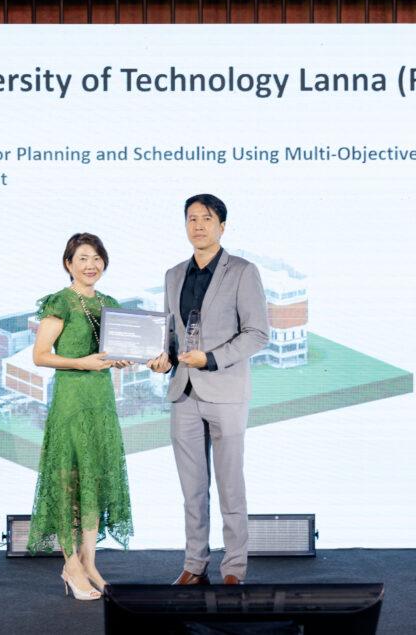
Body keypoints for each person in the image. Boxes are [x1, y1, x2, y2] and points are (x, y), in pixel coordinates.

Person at [146, 194, 269, 586]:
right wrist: (164, 358)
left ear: (222, 226)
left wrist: (211, 359)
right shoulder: (173, 274)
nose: (198, 225)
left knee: (231, 487)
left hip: (226, 391)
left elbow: (257, 333)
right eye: (191, 218)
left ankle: (233, 568)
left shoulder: (243, 271)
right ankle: (194, 565)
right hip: (183, 392)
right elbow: (171, 334)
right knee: (192, 490)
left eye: (206, 218)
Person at [26, 233, 134, 601]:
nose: (91, 265)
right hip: (71, 402)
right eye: (83, 258)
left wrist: (120, 359)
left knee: (96, 478)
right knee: (69, 481)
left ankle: (90, 563)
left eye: (97, 258)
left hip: (101, 401)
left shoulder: (109, 304)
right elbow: (40, 355)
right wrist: (81, 363)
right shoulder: (60, 301)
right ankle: (71, 565)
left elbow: (113, 352)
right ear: (68, 264)